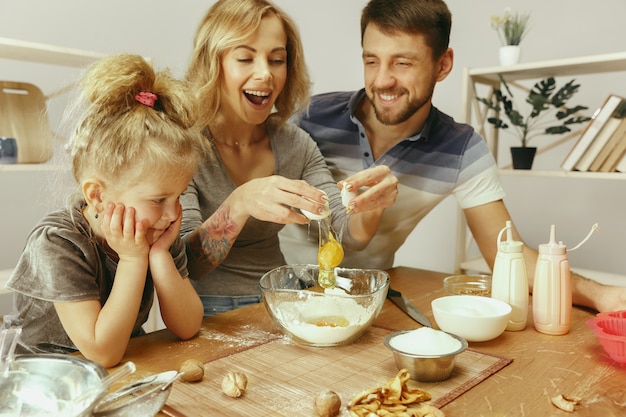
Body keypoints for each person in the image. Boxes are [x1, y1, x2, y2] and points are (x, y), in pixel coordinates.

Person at [279, 0, 626, 313]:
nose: (382, 80)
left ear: (442, 65)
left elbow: (509, 258)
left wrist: (602, 295)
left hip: (364, 304)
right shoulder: (311, 117)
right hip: (278, 292)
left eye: (402, 62)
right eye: (371, 61)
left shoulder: (460, 149)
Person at [180, 0, 398, 316]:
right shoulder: (182, 147)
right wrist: (240, 203)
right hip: (208, 312)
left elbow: (347, 231)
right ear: (213, 64)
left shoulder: (295, 144)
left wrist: (371, 203)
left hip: (284, 300)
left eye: (277, 59)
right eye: (245, 57)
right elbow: (188, 264)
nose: (265, 73)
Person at [4, 54, 206, 367]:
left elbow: (188, 325)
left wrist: (159, 257)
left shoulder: (156, 232)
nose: (172, 213)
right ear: (97, 195)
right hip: (41, 376)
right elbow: (103, 350)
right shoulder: (58, 243)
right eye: (158, 200)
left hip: (116, 368)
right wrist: (133, 258)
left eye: (179, 196)